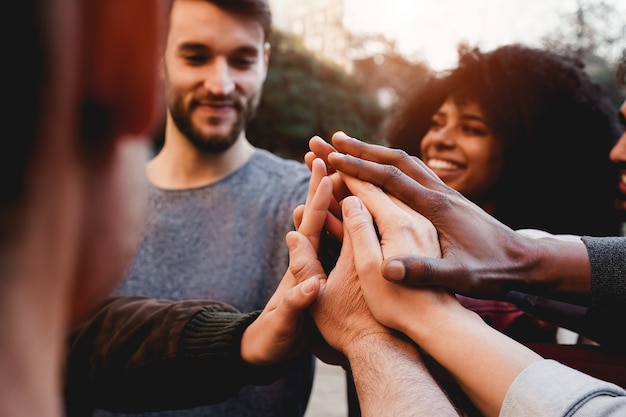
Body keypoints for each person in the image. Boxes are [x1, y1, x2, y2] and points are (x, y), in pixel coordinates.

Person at [105, 1, 314, 417]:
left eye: (241, 60)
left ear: (265, 63)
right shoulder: (99, 206)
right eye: (196, 57)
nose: (220, 84)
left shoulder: (303, 201)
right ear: (157, 57)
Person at [379, 43, 623, 343]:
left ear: (524, 148)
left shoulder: (563, 305)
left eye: (471, 129)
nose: (439, 140)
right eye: (436, 123)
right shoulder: (390, 246)